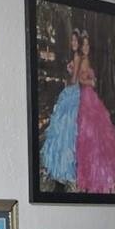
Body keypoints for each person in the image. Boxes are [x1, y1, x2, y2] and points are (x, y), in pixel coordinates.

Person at [73, 30, 115, 194]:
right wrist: (91, 81)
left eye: (88, 45)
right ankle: (94, 172)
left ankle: (99, 170)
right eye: (84, 45)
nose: (87, 48)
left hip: (90, 97)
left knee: (98, 132)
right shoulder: (83, 61)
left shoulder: (86, 60)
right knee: (91, 133)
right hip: (87, 97)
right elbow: (80, 80)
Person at [38, 30, 81, 186]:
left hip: (73, 92)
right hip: (71, 92)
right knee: (63, 127)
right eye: (73, 41)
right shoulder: (76, 56)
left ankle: (64, 168)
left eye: (76, 41)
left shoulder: (77, 57)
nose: (74, 43)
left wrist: (68, 79)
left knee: (66, 127)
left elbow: (75, 79)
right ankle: (60, 168)